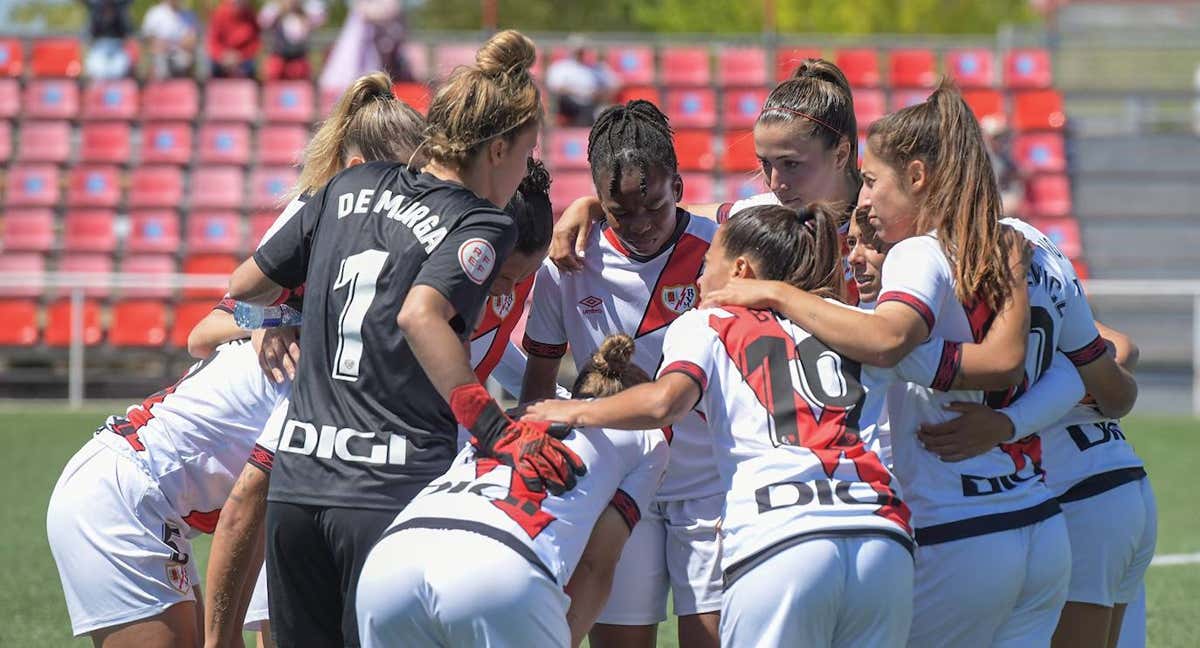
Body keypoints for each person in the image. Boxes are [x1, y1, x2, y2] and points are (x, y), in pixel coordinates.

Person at [523, 202, 1079, 648]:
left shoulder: (708, 319)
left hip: (781, 536)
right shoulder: (862, 325)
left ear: (739, 271)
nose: (699, 274)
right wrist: (1008, 415)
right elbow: (977, 365)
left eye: (706, 263)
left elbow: (667, 402)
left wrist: (574, 408)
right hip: (880, 536)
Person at [700, 80, 1136, 647]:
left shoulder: (918, 253)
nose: (869, 203)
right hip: (1039, 525)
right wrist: (1010, 422)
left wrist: (782, 296)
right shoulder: (1029, 243)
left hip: (956, 527)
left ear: (918, 177)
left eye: (874, 182)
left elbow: (887, 342)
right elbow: (1087, 375)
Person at [225, 30, 577, 648]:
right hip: (387, 492)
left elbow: (246, 286)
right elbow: (422, 316)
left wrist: (286, 321)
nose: (526, 170)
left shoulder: (345, 185)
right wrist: (496, 430)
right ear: (498, 148)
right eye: (527, 154)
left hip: (298, 487)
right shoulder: (481, 220)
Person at [187, 73, 427, 648]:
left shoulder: (412, 221)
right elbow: (207, 328)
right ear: (359, 165)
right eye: (403, 174)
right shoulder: (314, 209)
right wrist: (272, 322)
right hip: (297, 442)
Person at [520, 99, 722, 648]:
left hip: (708, 488)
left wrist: (586, 205)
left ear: (678, 185)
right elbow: (537, 390)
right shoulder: (566, 265)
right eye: (619, 212)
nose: (639, 225)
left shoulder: (722, 251)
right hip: (615, 481)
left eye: (652, 206)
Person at [357, 334, 669, 647]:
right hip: (501, 565)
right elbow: (596, 564)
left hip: (392, 557)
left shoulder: (519, 413)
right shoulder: (647, 437)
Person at [46, 337, 291, 647]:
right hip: (121, 497)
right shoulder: (312, 372)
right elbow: (242, 513)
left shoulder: (290, 338)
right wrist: (221, 640)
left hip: (142, 493)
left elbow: (257, 518)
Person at [550, 58, 861, 302]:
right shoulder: (765, 216)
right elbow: (672, 210)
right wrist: (591, 207)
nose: (775, 182)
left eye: (792, 164)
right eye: (765, 164)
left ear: (840, 154)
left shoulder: (889, 227)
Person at [545, 37, 619, 127]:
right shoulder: (561, 67)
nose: (580, 53)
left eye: (582, 50)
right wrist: (580, 92)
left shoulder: (597, 68)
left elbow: (614, 84)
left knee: (604, 111)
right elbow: (555, 87)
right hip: (569, 103)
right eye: (577, 50)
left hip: (593, 102)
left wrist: (601, 94)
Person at [259, 0, 325, 81]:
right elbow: (263, 22)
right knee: (272, 73)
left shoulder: (305, 10)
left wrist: (304, 14)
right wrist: (279, 10)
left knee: (303, 79)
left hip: (299, 58)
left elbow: (320, 20)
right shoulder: (276, 10)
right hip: (279, 57)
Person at [142, 0, 198, 79]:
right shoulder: (154, 14)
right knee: (160, 64)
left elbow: (191, 42)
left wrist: (168, 44)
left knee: (186, 60)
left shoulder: (189, 15)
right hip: (159, 58)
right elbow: (149, 43)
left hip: (180, 57)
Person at [80, 0, 133, 79]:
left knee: (119, 71)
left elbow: (128, 35)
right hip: (98, 47)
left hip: (118, 47)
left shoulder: (120, 6)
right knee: (96, 71)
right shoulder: (95, 7)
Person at [208, 0, 261, 78]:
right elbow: (213, 42)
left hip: (244, 59)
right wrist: (223, 55)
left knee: (251, 67)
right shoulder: (220, 13)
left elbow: (255, 43)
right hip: (223, 58)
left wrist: (240, 56)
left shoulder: (250, 16)